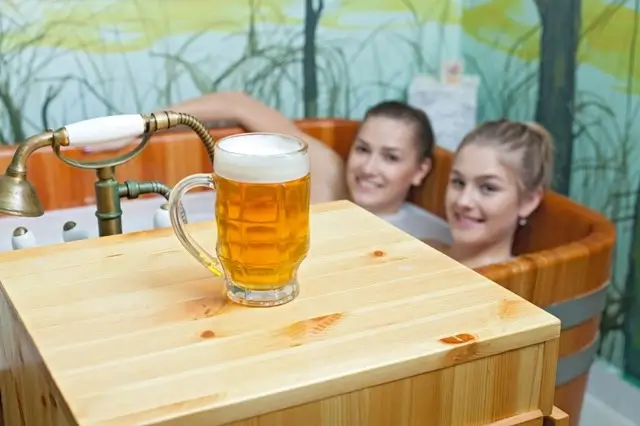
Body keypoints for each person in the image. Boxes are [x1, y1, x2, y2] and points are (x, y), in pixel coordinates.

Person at [162, 91, 452, 242]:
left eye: (391, 157)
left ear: (420, 170)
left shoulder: (425, 235)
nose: (369, 168)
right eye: (363, 149)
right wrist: (147, 124)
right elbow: (238, 104)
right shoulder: (329, 173)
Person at [428, 119, 554, 269]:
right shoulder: (424, 248)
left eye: (488, 188)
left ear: (528, 201)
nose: (463, 201)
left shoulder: (507, 287)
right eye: (458, 182)